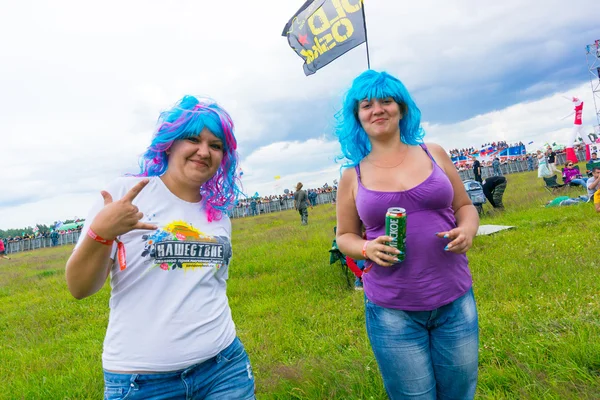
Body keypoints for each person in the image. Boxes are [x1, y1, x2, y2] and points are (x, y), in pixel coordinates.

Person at [65, 96, 256, 399]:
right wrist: (101, 232)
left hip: (224, 367)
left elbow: (213, 287)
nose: (204, 151)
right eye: (193, 139)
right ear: (169, 144)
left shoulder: (218, 216)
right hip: (142, 383)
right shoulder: (125, 195)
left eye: (216, 145)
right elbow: (79, 287)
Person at [335, 70, 479, 399]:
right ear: (357, 116)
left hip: (455, 301)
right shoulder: (351, 176)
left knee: (460, 393)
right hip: (392, 311)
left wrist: (468, 229)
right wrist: (367, 248)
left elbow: (465, 206)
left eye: (386, 101)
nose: (377, 109)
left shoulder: (434, 153)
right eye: (366, 104)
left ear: (401, 108)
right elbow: (344, 237)